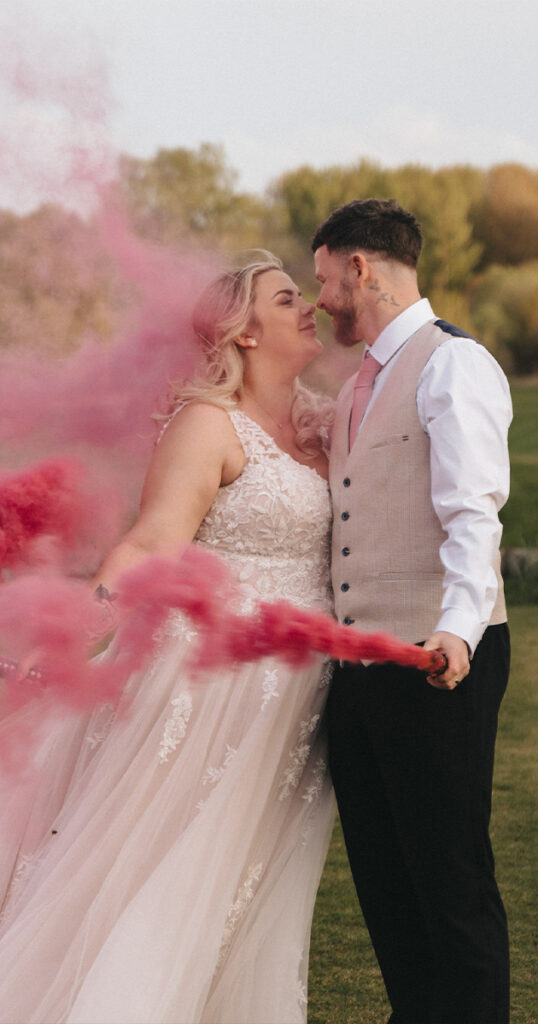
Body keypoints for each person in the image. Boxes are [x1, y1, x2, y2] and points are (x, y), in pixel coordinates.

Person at [0, 253, 336, 1024]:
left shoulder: (320, 426)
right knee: (161, 873)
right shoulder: (208, 422)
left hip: (293, 701)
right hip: (207, 689)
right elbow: (151, 546)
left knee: (243, 888)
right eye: (288, 299)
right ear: (244, 332)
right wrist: (78, 633)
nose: (307, 307)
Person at [312, 199, 512, 1024]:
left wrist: (458, 630)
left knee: (449, 881)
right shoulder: (360, 380)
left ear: (362, 268)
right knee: (386, 884)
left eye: (323, 280)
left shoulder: (452, 364)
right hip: (358, 670)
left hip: (437, 659)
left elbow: (474, 513)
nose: (320, 298)